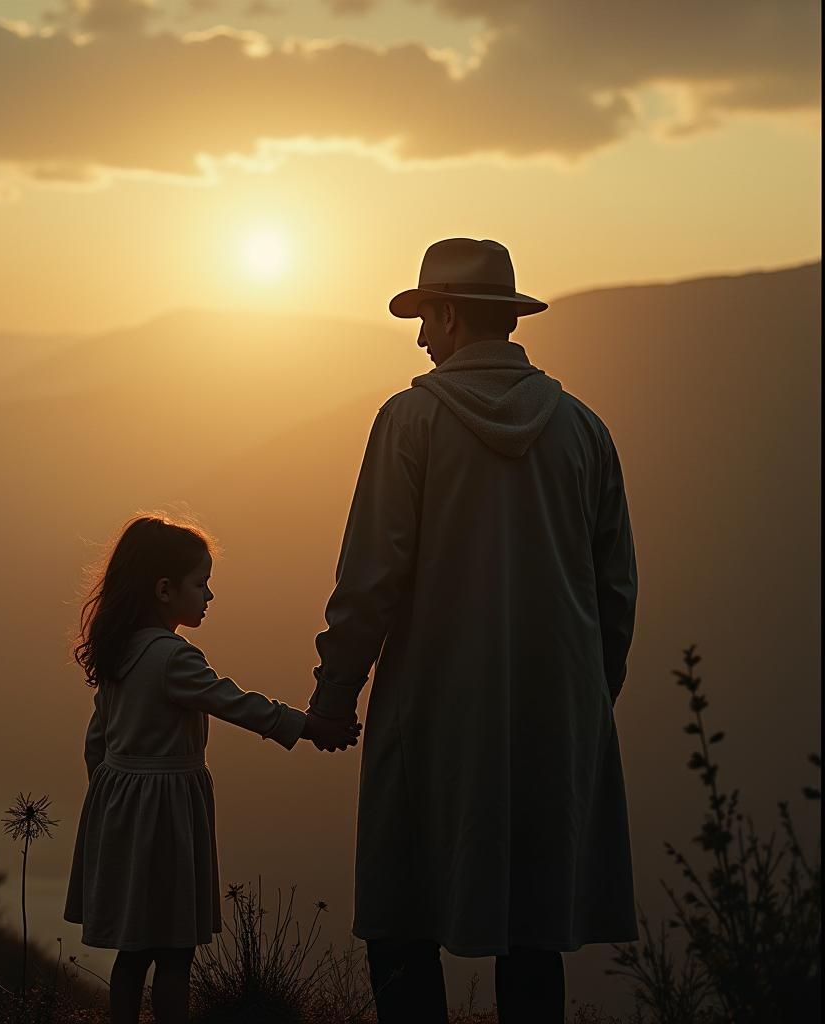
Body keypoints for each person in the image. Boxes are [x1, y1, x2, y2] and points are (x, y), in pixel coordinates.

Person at [305, 238, 639, 1023]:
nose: (422, 339)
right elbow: (616, 590)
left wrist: (334, 694)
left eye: (425, 318)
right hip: (554, 718)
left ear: (450, 314)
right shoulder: (585, 431)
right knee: (534, 938)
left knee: (401, 919)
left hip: (432, 715)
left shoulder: (410, 421)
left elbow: (370, 580)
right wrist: (589, 701)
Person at [63, 513, 359, 1024]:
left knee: (132, 950)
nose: (208, 596)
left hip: (120, 811)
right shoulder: (174, 657)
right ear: (164, 589)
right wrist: (311, 726)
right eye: (201, 584)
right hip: (167, 813)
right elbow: (236, 703)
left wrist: (111, 802)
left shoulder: (120, 652)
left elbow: (97, 740)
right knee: (176, 950)